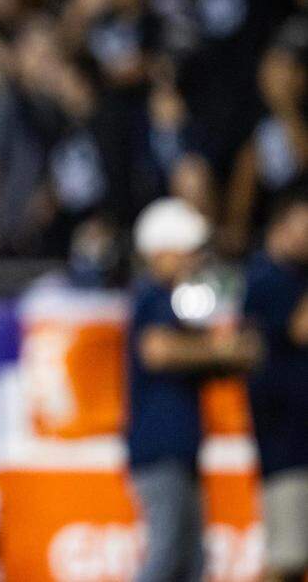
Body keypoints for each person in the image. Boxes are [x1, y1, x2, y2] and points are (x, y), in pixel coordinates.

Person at [126, 198, 260, 582]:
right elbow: (158, 351)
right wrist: (219, 349)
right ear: (161, 251)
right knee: (167, 556)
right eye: (188, 250)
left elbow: (210, 359)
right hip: (159, 449)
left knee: (190, 564)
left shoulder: (176, 302)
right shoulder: (152, 295)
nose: (195, 259)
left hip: (180, 450)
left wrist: (233, 353)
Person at [241, 194, 308, 582]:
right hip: (285, 441)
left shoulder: (294, 276)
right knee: (287, 556)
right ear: (279, 228)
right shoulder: (267, 276)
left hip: (298, 437)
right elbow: (301, 327)